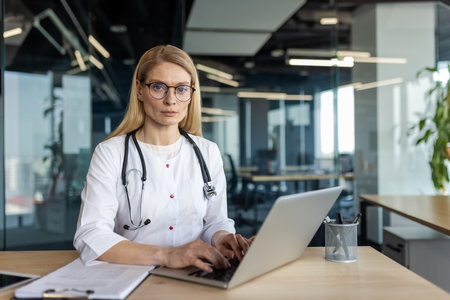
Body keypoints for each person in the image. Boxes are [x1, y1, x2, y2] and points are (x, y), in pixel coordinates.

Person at [73, 45, 253, 273]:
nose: (171, 100)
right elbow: (91, 234)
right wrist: (168, 255)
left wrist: (222, 238)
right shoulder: (111, 153)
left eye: (181, 89)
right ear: (139, 90)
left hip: (197, 273)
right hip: (133, 275)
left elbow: (215, 221)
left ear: (191, 93)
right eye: (158, 87)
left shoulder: (208, 152)